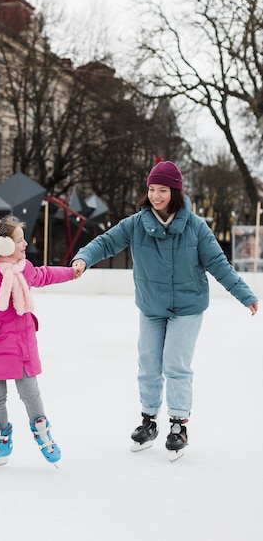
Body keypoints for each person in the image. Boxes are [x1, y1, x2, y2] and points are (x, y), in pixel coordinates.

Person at [72, 161, 258, 460]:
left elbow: (218, 264)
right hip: (151, 306)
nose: (156, 195)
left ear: (175, 192)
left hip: (187, 307)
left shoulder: (195, 227)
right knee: (148, 363)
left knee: (175, 364)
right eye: (152, 189)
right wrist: (83, 258)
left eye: (162, 190)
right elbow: (106, 242)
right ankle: (149, 420)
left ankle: (178, 424)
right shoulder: (135, 224)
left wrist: (244, 294)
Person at [0, 215, 78, 468]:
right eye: (20, 241)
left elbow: (44, 274)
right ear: (3, 246)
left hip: (22, 343)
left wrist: (70, 273)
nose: (25, 245)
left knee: (30, 392)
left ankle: (43, 433)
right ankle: (0, 441)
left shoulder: (23, 269)